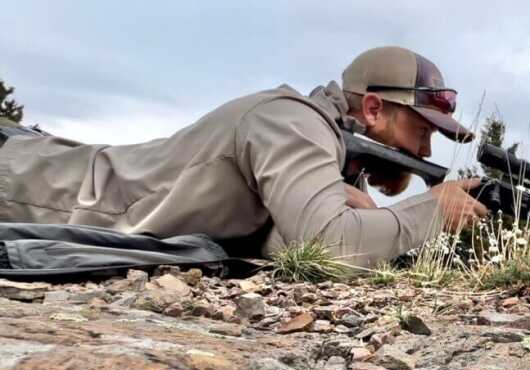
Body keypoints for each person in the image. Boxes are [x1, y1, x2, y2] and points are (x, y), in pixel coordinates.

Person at [0, 46, 488, 267]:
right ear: (375, 109)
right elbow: (330, 246)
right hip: (27, 181)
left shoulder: (329, 152)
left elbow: (288, 250)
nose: (425, 152)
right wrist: (432, 211)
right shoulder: (291, 122)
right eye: (421, 131)